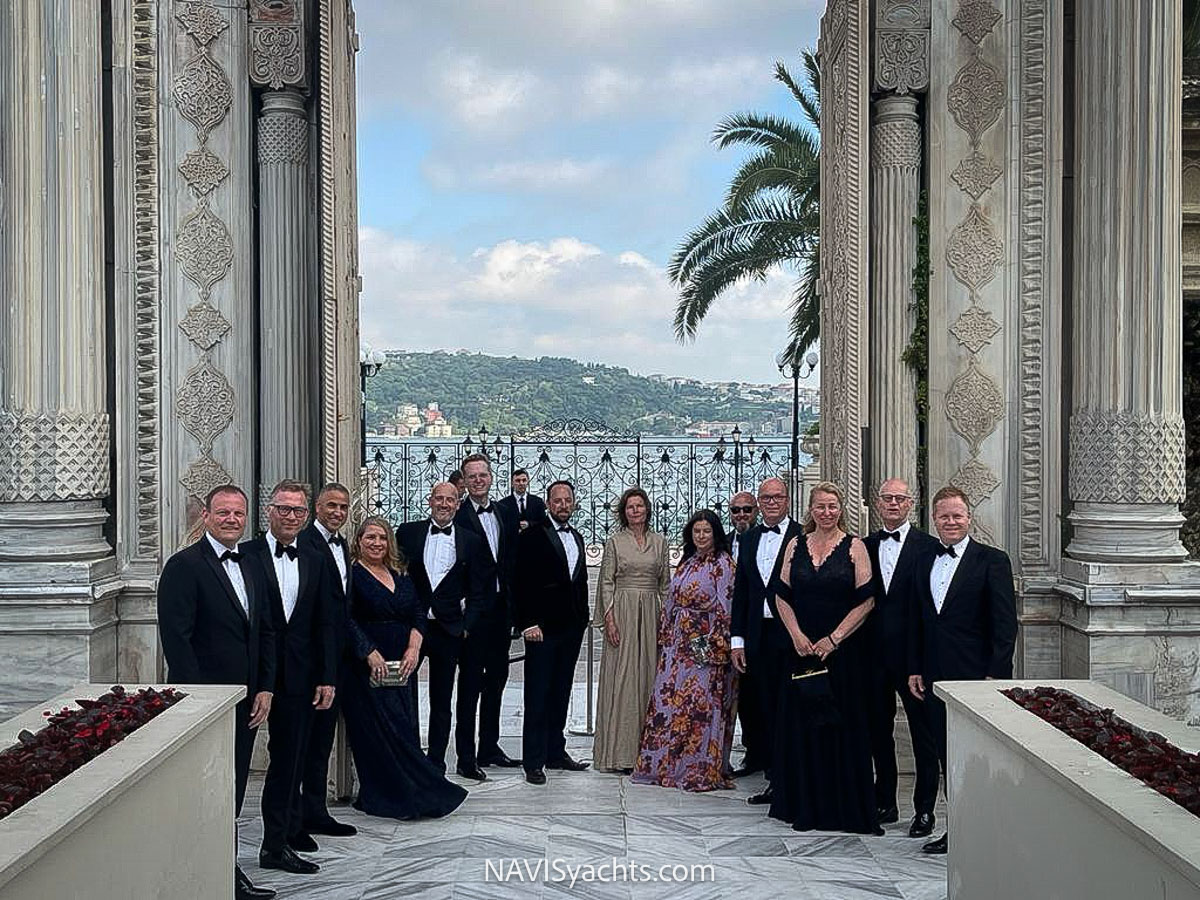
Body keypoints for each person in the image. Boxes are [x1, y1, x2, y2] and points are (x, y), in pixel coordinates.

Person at [158, 484, 277, 900]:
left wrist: (265, 688)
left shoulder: (253, 565)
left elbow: (264, 632)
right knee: (203, 789)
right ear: (206, 515)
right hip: (205, 705)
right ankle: (206, 874)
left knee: (234, 788)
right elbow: (177, 641)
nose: (231, 520)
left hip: (247, 702)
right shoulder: (183, 566)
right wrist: (202, 701)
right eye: (223, 512)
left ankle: (228, 870)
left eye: (238, 514)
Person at [908, 486, 1017, 855]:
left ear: (969, 518)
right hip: (935, 677)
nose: (951, 522)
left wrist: (994, 677)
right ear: (934, 519)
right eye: (944, 516)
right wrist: (915, 669)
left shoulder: (993, 560)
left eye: (957, 515)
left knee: (979, 757)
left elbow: (1005, 626)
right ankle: (958, 829)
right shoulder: (924, 559)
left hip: (976, 678)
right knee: (947, 755)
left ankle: (988, 831)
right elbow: (921, 622)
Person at [769, 481, 879, 835]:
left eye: (832, 506)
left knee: (839, 727)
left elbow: (867, 600)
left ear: (840, 508)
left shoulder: (855, 547)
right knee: (802, 726)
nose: (826, 512)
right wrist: (797, 635)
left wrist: (834, 639)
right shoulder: (794, 545)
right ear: (810, 509)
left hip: (842, 654)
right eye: (820, 506)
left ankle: (839, 807)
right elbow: (780, 595)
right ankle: (804, 804)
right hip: (801, 651)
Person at [340, 517, 468, 819]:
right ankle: (392, 795)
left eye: (382, 538)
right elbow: (345, 618)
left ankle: (417, 789)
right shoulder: (351, 575)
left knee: (404, 727)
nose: (376, 543)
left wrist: (414, 647)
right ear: (358, 541)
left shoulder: (399, 572)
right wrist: (368, 652)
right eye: (370, 537)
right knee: (382, 731)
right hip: (368, 665)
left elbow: (417, 612)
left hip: (403, 664)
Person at [241, 481, 337, 876]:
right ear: (269, 510)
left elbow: (327, 622)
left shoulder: (316, 557)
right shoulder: (244, 555)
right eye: (284, 509)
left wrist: (327, 676)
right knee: (233, 763)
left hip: (300, 678)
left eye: (299, 511)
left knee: (289, 763)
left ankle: (276, 845)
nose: (292, 517)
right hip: (249, 677)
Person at [632, 509, 737, 793]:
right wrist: (665, 636)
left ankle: (696, 768)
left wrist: (719, 645)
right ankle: (668, 765)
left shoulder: (723, 564)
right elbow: (670, 599)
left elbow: (726, 608)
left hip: (704, 643)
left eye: (706, 531)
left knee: (699, 705)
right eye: (696, 532)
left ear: (716, 533)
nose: (702, 536)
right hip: (677, 644)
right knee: (672, 702)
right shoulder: (687, 562)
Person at [396, 482, 489, 779]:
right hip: (413, 629)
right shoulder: (408, 533)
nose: (444, 504)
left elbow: (479, 590)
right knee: (403, 692)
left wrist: (466, 626)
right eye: (439, 498)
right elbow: (395, 576)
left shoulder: (471, 541)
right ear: (429, 500)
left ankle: (436, 761)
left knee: (442, 698)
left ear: (458, 504)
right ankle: (408, 756)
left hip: (449, 630)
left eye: (450, 500)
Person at [863, 478, 940, 838]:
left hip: (913, 659)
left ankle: (924, 810)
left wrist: (922, 661)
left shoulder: (929, 547)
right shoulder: (863, 547)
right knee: (879, 733)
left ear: (911, 504)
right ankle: (885, 801)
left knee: (923, 735)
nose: (893, 504)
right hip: (874, 657)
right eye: (887, 498)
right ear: (877, 504)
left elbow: (932, 608)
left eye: (900, 498)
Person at [515, 480, 590, 785]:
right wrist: (527, 622)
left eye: (567, 500)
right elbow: (519, 581)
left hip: (571, 628)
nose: (562, 505)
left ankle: (555, 752)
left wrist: (583, 618)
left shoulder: (578, 537)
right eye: (557, 500)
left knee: (561, 692)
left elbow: (578, 580)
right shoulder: (531, 535)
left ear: (573, 503)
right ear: (548, 503)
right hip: (541, 630)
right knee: (538, 695)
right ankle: (533, 761)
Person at [730, 477, 802, 794]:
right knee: (761, 704)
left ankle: (788, 774)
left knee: (790, 705)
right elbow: (742, 593)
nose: (771, 502)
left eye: (777, 497)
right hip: (757, 634)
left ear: (787, 500)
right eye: (766, 498)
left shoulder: (803, 536)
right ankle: (770, 770)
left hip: (791, 634)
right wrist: (738, 640)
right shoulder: (749, 540)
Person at [295, 482, 358, 841]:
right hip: (313, 663)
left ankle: (315, 811)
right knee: (304, 743)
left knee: (322, 742)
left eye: (343, 507)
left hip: (337, 658)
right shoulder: (304, 544)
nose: (337, 512)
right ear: (316, 507)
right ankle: (297, 817)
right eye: (331, 506)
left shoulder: (342, 543)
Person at [592, 487, 670, 773]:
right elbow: (606, 582)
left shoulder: (660, 542)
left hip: (650, 613)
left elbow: (666, 584)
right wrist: (609, 619)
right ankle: (619, 754)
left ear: (647, 509)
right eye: (630, 507)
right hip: (623, 611)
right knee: (623, 680)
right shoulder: (614, 542)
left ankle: (648, 753)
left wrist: (666, 620)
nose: (635, 510)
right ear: (623, 512)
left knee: (649, 678)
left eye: (639, 506)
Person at [455, 454, 522, 770]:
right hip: (473, 614)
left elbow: (513, 562)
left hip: (501, 611)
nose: (478, 480)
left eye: (483, 475)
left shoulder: (505, 513)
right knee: (469, 684)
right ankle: (466, 755)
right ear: (465, 482)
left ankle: (489, 747)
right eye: (472, 476)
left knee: (497, 680)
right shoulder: (458, 517)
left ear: (491, 477)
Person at [728, 491, 758, 565]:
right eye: (736, 510)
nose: (741, 514)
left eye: (747, 509)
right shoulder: (723, 543)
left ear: (757, 511)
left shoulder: (767, 540)